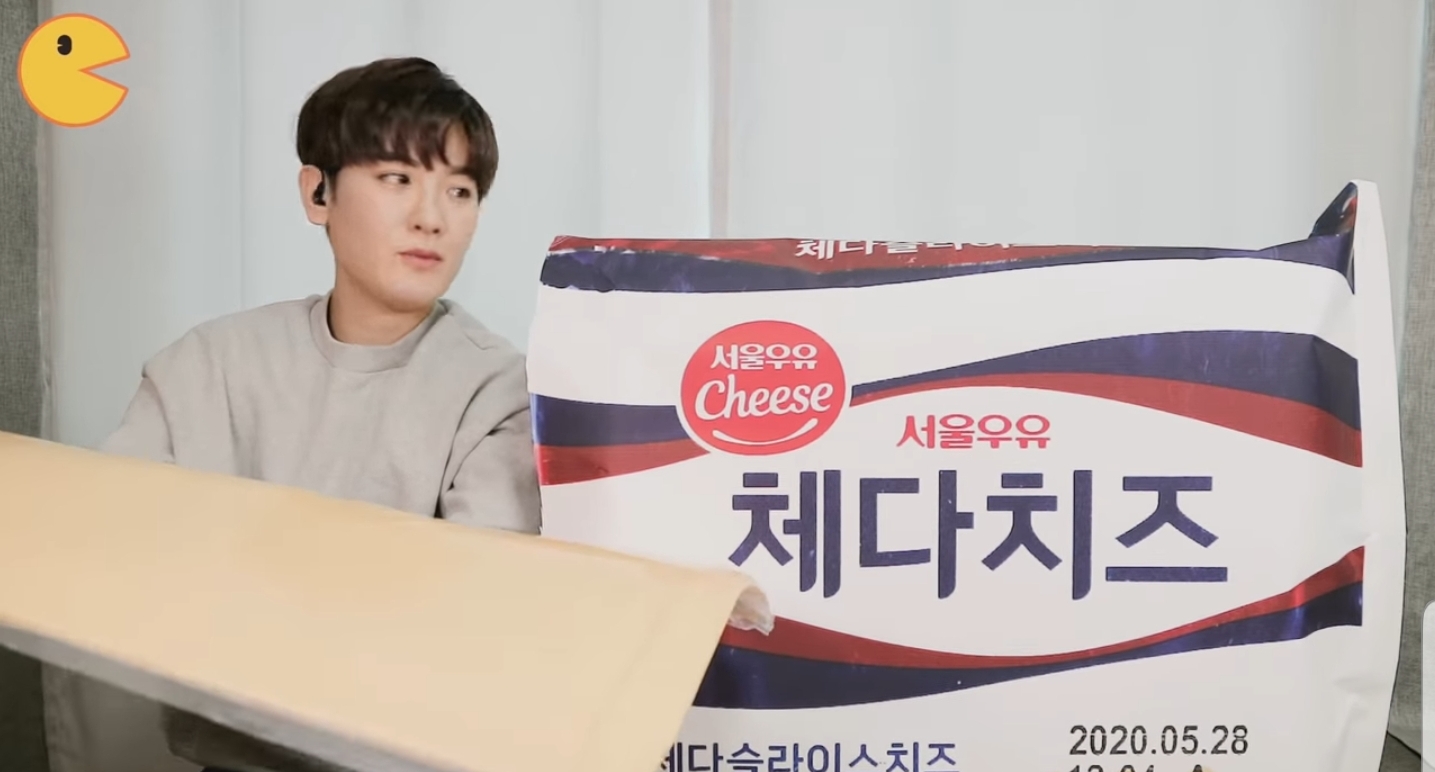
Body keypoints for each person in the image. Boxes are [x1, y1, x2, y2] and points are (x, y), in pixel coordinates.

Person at [42, 57, 542, 772]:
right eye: (397, 178)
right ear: (317, 192)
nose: (431, 217)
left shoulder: (498, 390)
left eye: (459, 190)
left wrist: (245, 570)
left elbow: (472, 617)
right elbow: (110, 548)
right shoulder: (210, 364)